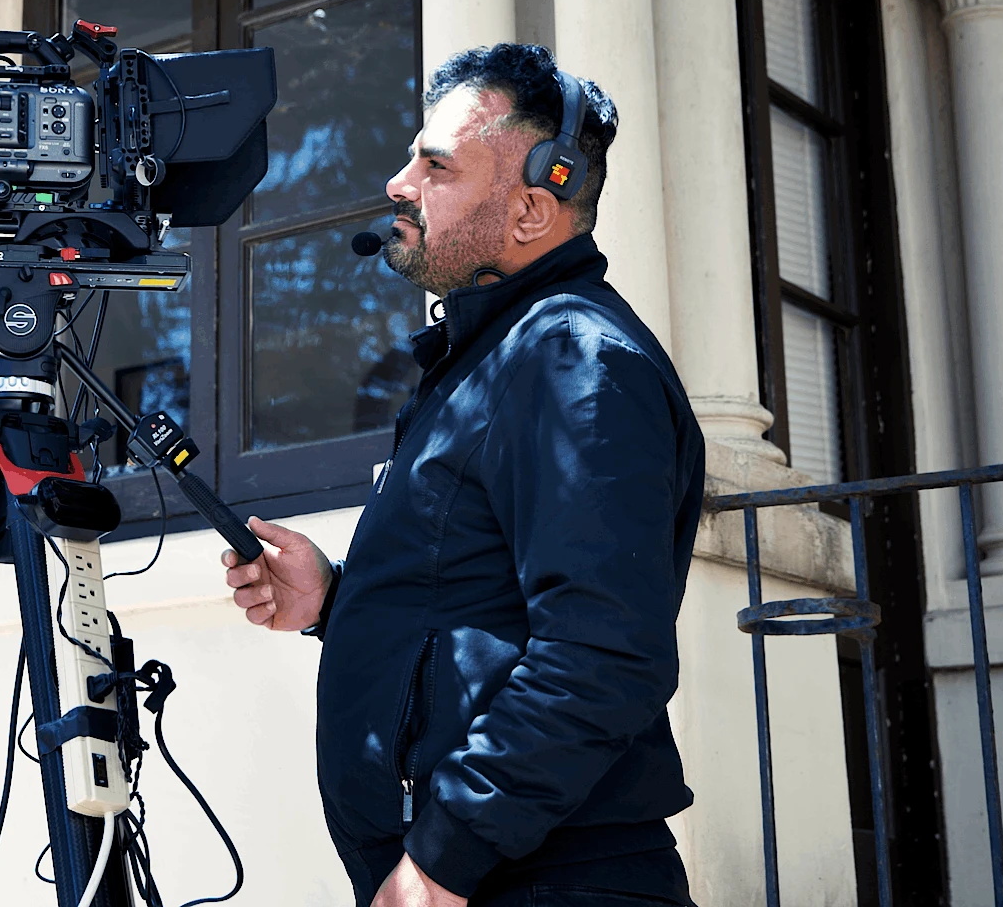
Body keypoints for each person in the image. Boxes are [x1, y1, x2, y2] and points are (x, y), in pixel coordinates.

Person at [223, 44, 705, 907]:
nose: (398, 182)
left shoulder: (572, 361)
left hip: (540, 883)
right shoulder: (493, 357)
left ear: (530, 209)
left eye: (434, 166)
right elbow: (477, 609)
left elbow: (600, 655)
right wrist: (335, 603)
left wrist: (445, 857)